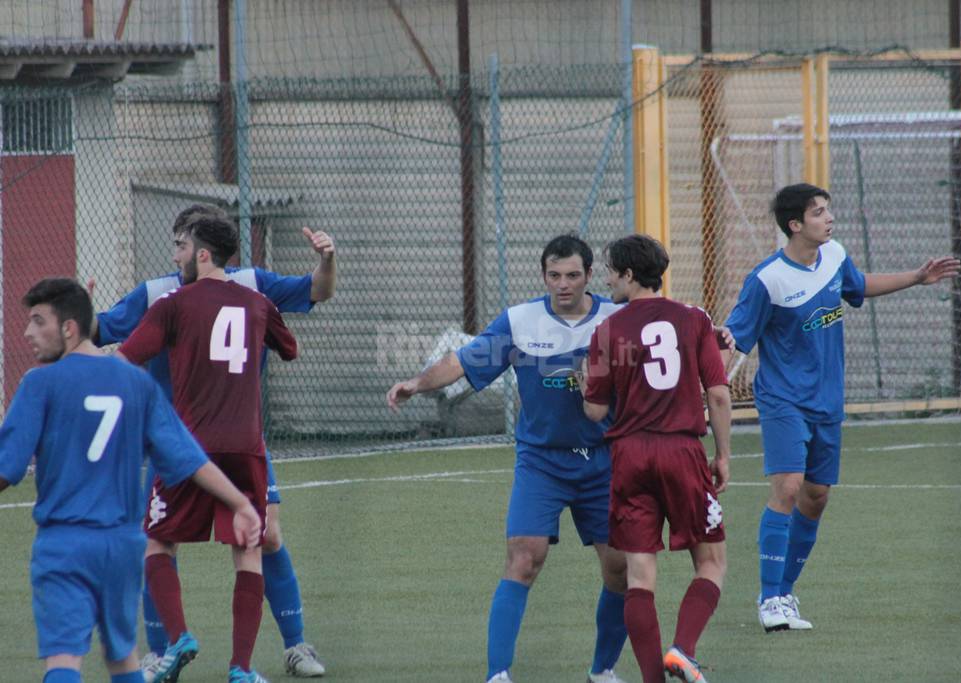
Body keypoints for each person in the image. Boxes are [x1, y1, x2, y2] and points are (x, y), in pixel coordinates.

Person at [94, 203, 332, 678]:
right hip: (182, 439)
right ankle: (171, 653)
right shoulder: (159, 294)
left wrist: (326, 260)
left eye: (181, 243)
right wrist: (81, 313)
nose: (175, 254)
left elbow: (317, 290)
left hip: (215, 437)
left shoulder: (250, 284)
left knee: (258, 536)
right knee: (171, 540)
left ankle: (294, 645)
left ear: (201, 252)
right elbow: (102, 326)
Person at [387, 234, 630, 683]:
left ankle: (603, 670)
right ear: (543, 276)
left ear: (589, 276)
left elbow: (669, 336)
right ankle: (497, 674)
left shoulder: (618, 319)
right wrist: (417, 383)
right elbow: (461, 362)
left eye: (573, 275)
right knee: (524, 557)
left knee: (620, 568)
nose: (563, 284)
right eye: (554, 275)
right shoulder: (520, 321)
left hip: (603, 460)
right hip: (542, 461)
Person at [722, 183, 961, 632]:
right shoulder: (767, 278)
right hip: (783, 398)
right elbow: (737, 332)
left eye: (828, 210)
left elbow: (857, 286)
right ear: (795, 225)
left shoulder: (834, 256)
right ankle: (770, 599)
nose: (828, 218)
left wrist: (915, 276)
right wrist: (719, 340)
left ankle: (785, 593)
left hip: (827, 401)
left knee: (816, 497)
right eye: (818, 212)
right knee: (789, 488)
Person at [0, 278, 262, 683]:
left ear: (69, 328)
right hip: (122, 548)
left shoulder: (40, 383)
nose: (27, 332)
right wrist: (241, 504)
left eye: (37, 321)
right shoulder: (137, 383)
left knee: (65, 659)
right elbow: (189, 458)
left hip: (64, 544)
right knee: (123, 660)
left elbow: (6, 468)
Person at [581, 235, 731, 683]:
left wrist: (583, 380)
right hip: (681, 450)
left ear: (629, 275)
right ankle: (683, 650)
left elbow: (595, 410)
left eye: (611, 271)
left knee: (639, 576)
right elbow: (719, 395)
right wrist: (722, 455)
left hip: (628, 455)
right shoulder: (693, 318)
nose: (607, 279)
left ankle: (652, 679)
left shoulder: (607, 331)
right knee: (711, 562)